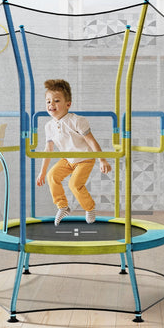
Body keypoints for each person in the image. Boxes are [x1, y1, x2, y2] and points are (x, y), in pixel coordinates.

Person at [36, 79, 111, 226]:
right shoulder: (49, 126)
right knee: (52, 176)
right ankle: (62, 206)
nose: (51, 105)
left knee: (74, 184)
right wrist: (42, 172)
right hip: (68, 160)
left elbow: (91, 141)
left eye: (56, 101)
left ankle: (89, 208)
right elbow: (48, 150)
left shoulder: (77, 121)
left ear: (68, 104)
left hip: (84, 158)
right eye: (48, 101)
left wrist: (102, 160)